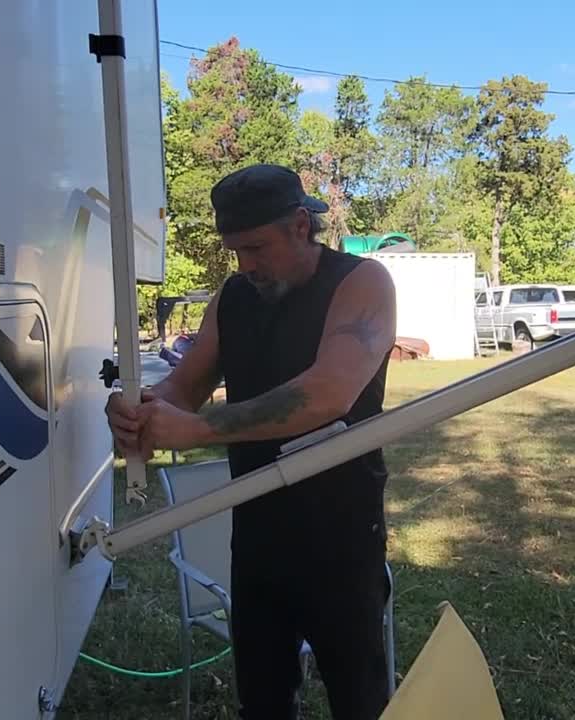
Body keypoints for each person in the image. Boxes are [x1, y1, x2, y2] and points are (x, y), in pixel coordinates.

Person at [105, 163, 397, 719]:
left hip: (341, 537)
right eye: (236, 251)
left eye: (257, 248)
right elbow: (182, 388)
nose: (248, 266)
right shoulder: (233, 297)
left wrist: (198, 430)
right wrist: (137, 411)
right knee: (261, 703)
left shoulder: (361, 282)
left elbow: (327, 393)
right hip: (258, 533)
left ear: (298, 225)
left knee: (359, 701)